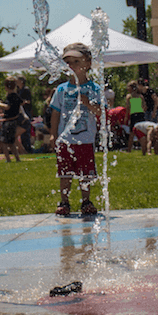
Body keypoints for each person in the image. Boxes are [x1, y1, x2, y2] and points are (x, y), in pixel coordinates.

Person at [49, 43, 102, 217]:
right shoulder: (61, 90)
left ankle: (86, 201)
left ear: (88, 63)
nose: (72, 66)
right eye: (68, 62)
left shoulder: (94, 89)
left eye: (76, 61)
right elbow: (55, 114)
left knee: (85, 173)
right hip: (66, 140)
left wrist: (88, 103)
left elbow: (101, 112)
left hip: (85, 139)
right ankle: (64, 201)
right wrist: (53, 135)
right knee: (65, 172)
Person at [0, 76, 25, 162]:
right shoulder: (16, 95)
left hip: (9, 121)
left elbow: (7, 107)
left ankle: (8, 159)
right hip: (14, 121)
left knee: (4, 141)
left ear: (6, 87)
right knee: (11, 141)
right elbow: (22, 102)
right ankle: (17, 158)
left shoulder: (10, 96)